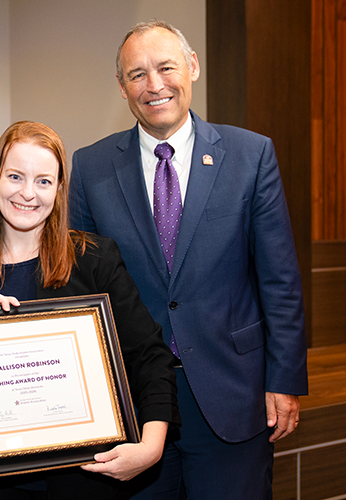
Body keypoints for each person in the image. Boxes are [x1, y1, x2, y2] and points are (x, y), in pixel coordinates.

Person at [68, 20, 308, 499]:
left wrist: (284, 380)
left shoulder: (250, 154)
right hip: (133, 403)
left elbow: (279, 279)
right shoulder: (91, 166)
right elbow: (78, 288)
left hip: (234, 395)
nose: (154, 85)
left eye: (166, 67)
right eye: (137, 74)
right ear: (121, 87)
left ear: (192, 67)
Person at [0, 121, 180, 500]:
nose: (28, 193)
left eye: (44, 181)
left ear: (60, 190)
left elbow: (149, 356)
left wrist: (151, 446)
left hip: (83, 480)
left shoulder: (94, 259)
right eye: (16, 176)